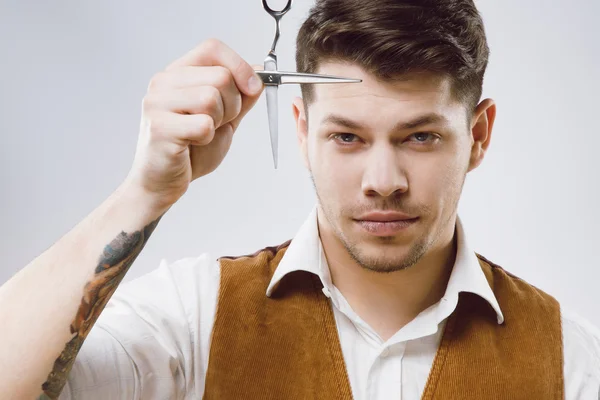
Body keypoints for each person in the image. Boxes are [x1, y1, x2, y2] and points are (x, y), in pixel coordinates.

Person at [1, 0, 599, 398]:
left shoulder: (570, 360)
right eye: (347, 136)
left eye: (420, 136)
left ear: (478, 135)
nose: (382, 179)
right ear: (302, 131)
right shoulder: (194, 319)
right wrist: (142, 195)